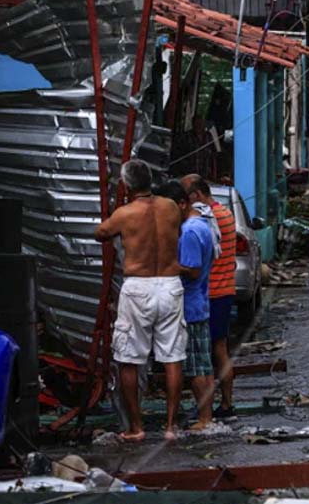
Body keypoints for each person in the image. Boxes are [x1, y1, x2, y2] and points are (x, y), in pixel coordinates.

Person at [94, 160, 185, 442]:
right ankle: (171, 426)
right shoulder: (170, 207)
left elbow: (100, 233)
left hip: (138, 287)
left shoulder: (124, 213)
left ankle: (136, 427)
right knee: (172, 357)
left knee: (128, 359)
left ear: (127, 185)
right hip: (170, 285)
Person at [154, 181, 217, 433]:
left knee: (195, 367)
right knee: (203, 364)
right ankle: (206, 416)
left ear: (182, 204)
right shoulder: (201, 224)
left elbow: (192, 270)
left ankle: (205, 418)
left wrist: (167, 263)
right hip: (198, 302)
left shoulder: (190, 231)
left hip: (190, 304)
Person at [181, 174, 240, 420]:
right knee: (220, 349)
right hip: (224, 289)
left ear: (196, 195)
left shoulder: (207, 220)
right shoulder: (224, 214)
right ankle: (225, 403)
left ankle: (215, 406)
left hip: (211, 292)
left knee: (209, 353)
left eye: (185, 195)